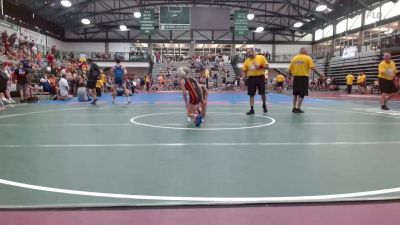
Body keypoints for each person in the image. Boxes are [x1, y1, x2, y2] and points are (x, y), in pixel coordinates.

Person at [288, 47, 318, 113]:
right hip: (303, 78)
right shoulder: (308, 58)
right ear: (304, 52)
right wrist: (320, 75)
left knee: (295, 94)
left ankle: (294, 108)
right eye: (306, 51)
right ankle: (298, 108)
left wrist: (291, 76)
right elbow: (313, 68)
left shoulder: (294, 58)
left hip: (296, 78)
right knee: (302, 94)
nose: (307, 53)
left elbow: (289, 70)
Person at [241, 48, 268, 115]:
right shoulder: (247, 61)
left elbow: (267, 66)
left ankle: (264, 105)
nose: (248, 54)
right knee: (251, 94)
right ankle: (252, 109)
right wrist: (243, 77)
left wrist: (259, 66)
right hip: (251, 79)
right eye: (247, 53)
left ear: (253, 51)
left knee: (262, 93)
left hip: (260, 77)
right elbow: (244, 70)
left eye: (249, 52)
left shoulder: (261, 57)